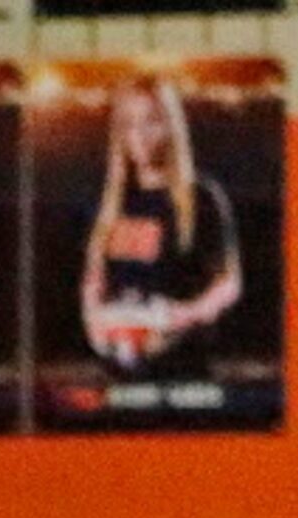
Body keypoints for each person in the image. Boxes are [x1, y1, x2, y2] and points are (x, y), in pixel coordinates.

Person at [79, 73, 241, 374]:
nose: (138, 134)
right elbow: (93, 279)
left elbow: (228, 284)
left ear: (170, 127)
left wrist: (185, 314)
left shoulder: (200, 198)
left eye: (150, 121)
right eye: (129, 124)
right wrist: (95, 322)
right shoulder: (112, 203)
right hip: (119, 367)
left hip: (182, 367)